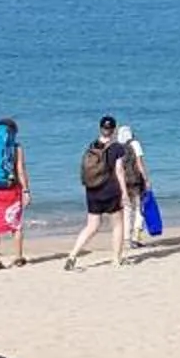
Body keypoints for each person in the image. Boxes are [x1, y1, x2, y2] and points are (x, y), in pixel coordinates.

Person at [64, 114, 130, 271]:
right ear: (113, 130)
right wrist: (125, 193)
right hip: (110, 190)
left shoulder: (92, 146)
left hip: (92, 190)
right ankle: (116, 259)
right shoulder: (117, 148)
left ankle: (73, 255)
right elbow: (119, 171)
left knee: (92, 226)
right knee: (118, 224)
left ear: (100, 128)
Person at [0, 117, 29, 272]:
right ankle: (18, 257)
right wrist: (26, 190)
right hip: (12, 190)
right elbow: (21, 171)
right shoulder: (16, 148)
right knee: (16, 224)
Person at [115, 122, 155, 248]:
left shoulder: (117, 147)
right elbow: (139, 164)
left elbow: (118, 168)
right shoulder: (135, 144)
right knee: (139, 208)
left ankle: (126, 239)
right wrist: (147, 179)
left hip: (122, 181)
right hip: (135, 181)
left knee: (126, 210)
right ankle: (136, 236)